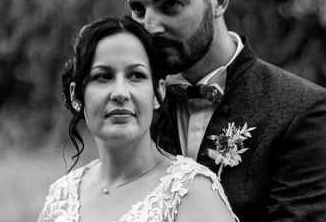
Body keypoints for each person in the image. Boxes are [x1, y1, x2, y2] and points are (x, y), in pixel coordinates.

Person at [123, 0, 326, 222]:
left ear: (219, 0)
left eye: (169, 4)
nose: (150, 25)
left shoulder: (302, 110)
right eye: (138, 10)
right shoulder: (133, 103)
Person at [37, 16, 238, 222]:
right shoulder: (61, 198)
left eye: (136, 76)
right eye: (104, 76)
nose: (120, 93)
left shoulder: (191, 193)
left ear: (157, 92)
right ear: (77, 96)